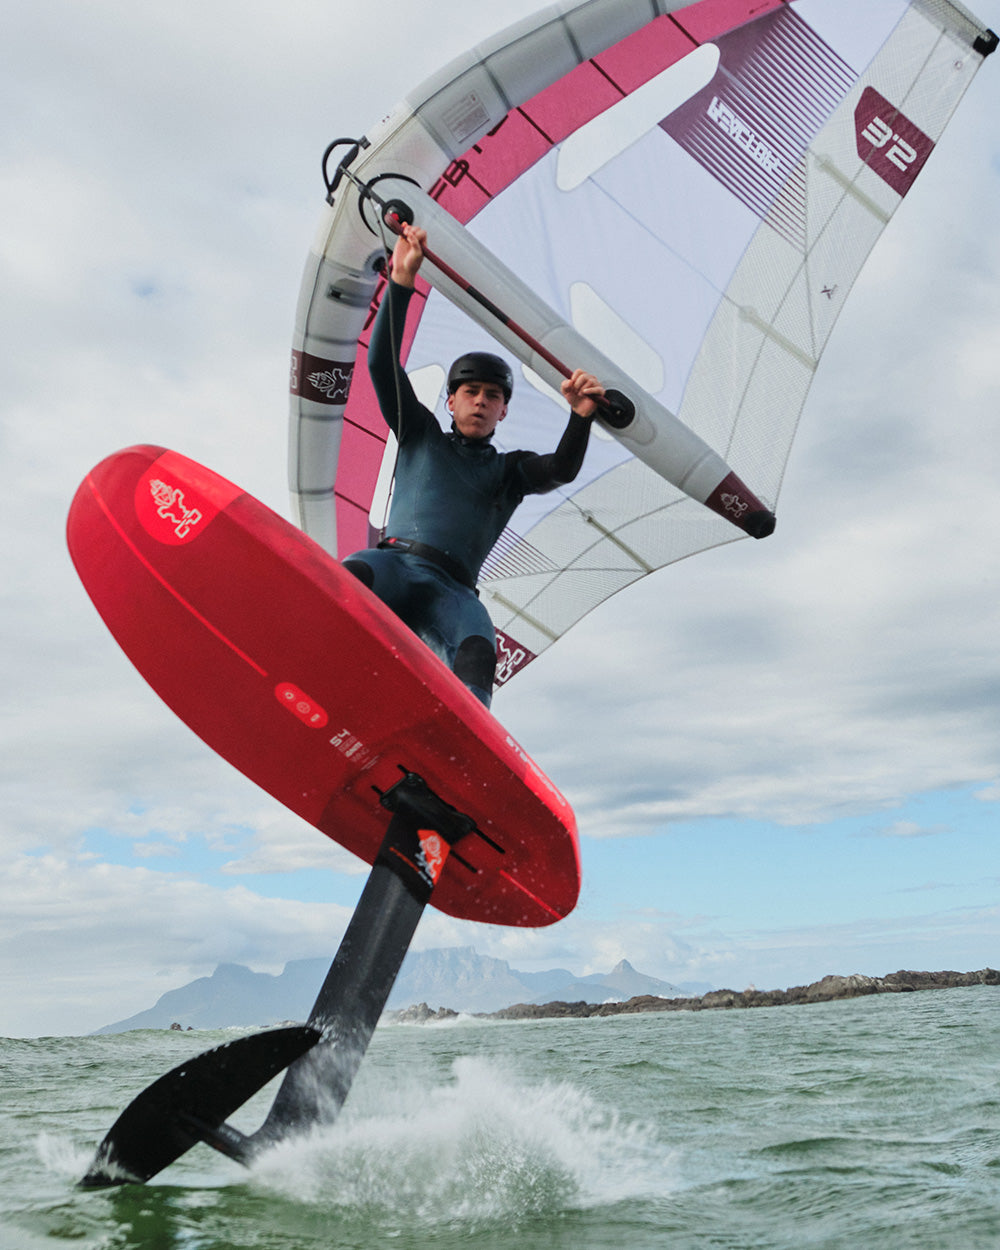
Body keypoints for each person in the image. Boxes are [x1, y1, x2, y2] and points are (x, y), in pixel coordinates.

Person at [343, 223, 604, 709]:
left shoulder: (511, 472)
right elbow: (381, 365)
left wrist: (581, 418)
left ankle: (457, 752)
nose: (481, 402)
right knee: (349, 577)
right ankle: (322, 667)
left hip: (455, 594)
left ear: (504, 410)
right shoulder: (419, 433)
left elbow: (562, 469)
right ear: (451, 401)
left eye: (493, 396)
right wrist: (400, 281)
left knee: (481, 651)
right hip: (394, 565)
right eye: (471, 392)